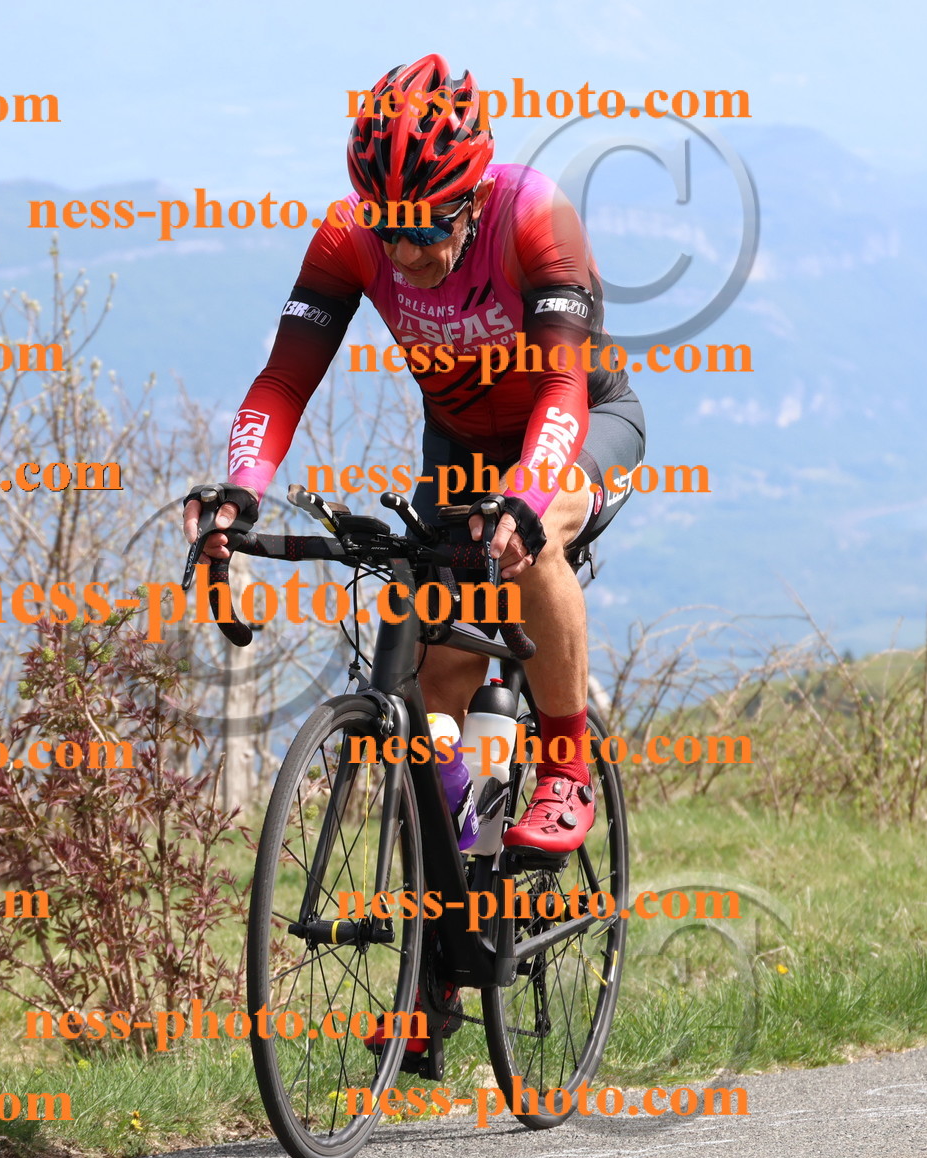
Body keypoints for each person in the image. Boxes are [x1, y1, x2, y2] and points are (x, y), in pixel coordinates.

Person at [184, 53, 646, 855]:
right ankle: (455, 887)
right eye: (389, 227)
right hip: (461, 451)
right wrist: (242, 487)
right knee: (432, 681)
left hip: (581, 422)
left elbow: (563, 389)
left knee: (528, 551)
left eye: (427, 227)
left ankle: (567, 770)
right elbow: (285, 378)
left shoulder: (535, 217)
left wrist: (526, 503)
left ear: (471, 196)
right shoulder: (347, 237)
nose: (404, 254)